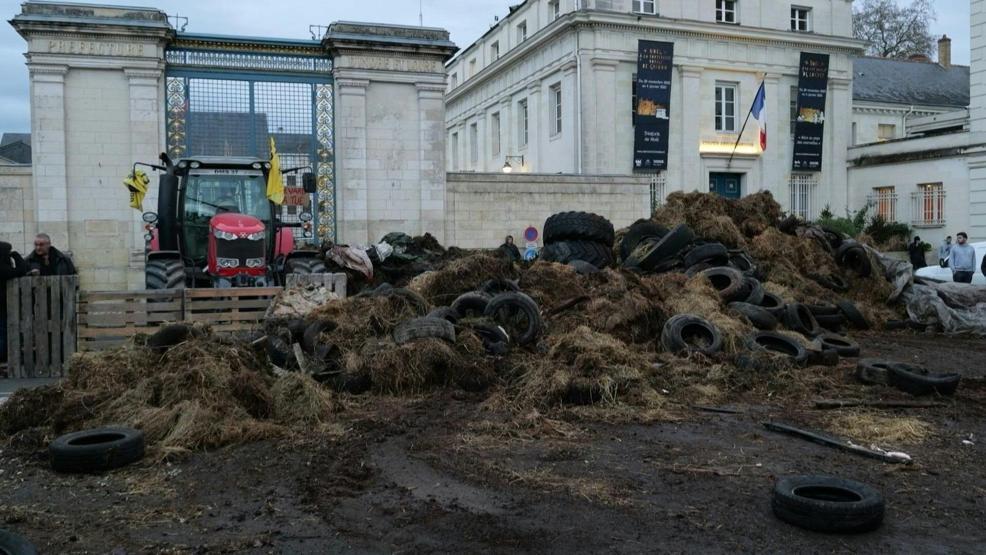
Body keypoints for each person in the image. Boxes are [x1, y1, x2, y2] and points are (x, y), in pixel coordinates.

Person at [1, 241, 29, 364]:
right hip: (2, 307)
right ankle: (3, 358)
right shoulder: (2, 268)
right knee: (3, 332)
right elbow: (21, 270)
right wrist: (16, 255)